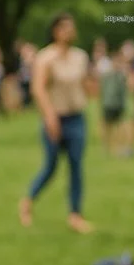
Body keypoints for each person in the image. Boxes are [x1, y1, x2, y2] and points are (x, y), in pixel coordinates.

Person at [19, 13, 93, 234]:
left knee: (76, 166)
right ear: (56, 31)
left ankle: (75, 215)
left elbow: (84, 84)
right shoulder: (45, 58)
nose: (71, 31)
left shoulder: (80, 57)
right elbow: (38, 89)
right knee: (50, 166)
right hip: (55, 117)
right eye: (66, 28)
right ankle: (27, 201)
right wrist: (50, 117)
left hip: (76, 117)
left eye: (72, 27)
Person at [97, 45, 131, 157]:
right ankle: (106, 146)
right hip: (108, 104)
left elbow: (123, 92)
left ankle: (118, 146)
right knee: (107, 125)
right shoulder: (107, 76)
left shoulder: (121, 76)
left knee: (119, 126)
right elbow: (102, 90)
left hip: (118, 105)